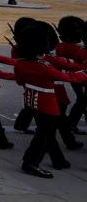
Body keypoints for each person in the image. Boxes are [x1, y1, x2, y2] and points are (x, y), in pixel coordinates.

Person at [14, 20, 87, 178]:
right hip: (47, 105)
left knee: (46, 134)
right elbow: (68, 77)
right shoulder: (44, 66)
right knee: (43, 136)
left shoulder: (21, 63)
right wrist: (85, 73)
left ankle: (55, 160)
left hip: (31, 101)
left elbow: (20, 81)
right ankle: (31, 163)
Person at [56, 16, 87, 133]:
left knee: (82, 100)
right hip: (80, 76)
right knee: (82, 101)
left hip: (72, 75)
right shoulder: (78, 49)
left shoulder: (60, 46)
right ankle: (71, 124)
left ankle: (71, 123)